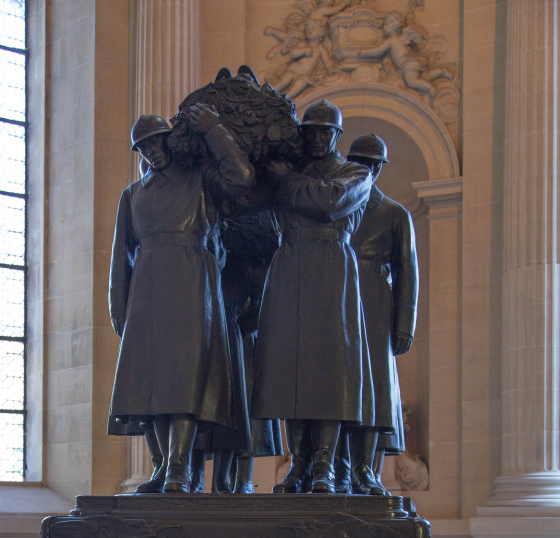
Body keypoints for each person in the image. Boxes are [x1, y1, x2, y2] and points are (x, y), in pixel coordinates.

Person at [108, 105, 255, 493]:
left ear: (169, 140)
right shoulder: (133, 194)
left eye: (156, 142)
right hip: (146, 287)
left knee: (185, 378)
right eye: (143, 147)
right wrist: (118, 306)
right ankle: (162, 467)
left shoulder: (199, 179)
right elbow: (122, 253)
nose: (152, 151)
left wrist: (215, 130)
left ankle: (180, 468)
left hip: (193, 281)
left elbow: (241, 178)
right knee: (150, 381)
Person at [251, 99, 373, 493]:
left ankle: (326, 465)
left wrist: (286, 180)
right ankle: (299, 462)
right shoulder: (288, 170)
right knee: (288, 370)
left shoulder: (355, 172)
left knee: (329, 369)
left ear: (337, 136)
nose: (318, 138)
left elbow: (329, 201)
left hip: (331, 267)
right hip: (288, 266)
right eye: (312, 131)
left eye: (326, 132)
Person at [343, 132, 418, 494]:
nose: (366, 170)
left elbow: (408, 273)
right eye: (359, 163)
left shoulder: (394, 214)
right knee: (337, 387)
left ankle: (366, 470)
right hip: (338, 296)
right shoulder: (336, 207)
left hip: (374, 299)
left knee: (374, 388)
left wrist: (404, 324)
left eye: (372, 165)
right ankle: (336, 469)